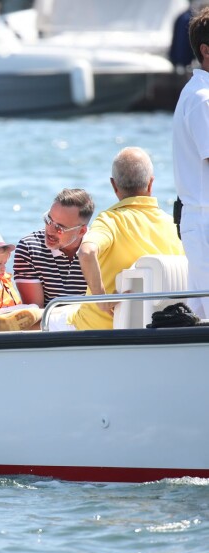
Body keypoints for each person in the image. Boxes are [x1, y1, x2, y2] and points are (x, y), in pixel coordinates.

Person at [55, 147, 184, 331]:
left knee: (47, 316)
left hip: (94, 329)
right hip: (160, 328)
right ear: (150, 184)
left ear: (114, 185)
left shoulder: (109, 221)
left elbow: (86, 252)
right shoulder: (174, 225)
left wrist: (101, 300)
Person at [173, 5, 209, 318]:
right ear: (206, 50)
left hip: (200, 219)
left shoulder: (198, 93)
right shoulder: (203, 98)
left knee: (201, 313)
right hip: (204, 219)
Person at [13, 188, 95, 308]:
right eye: (48, 220)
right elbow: (35, 315)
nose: (50, 230)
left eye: (59, 228)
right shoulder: (29, 248)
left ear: (81, 231)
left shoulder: (99, 249)